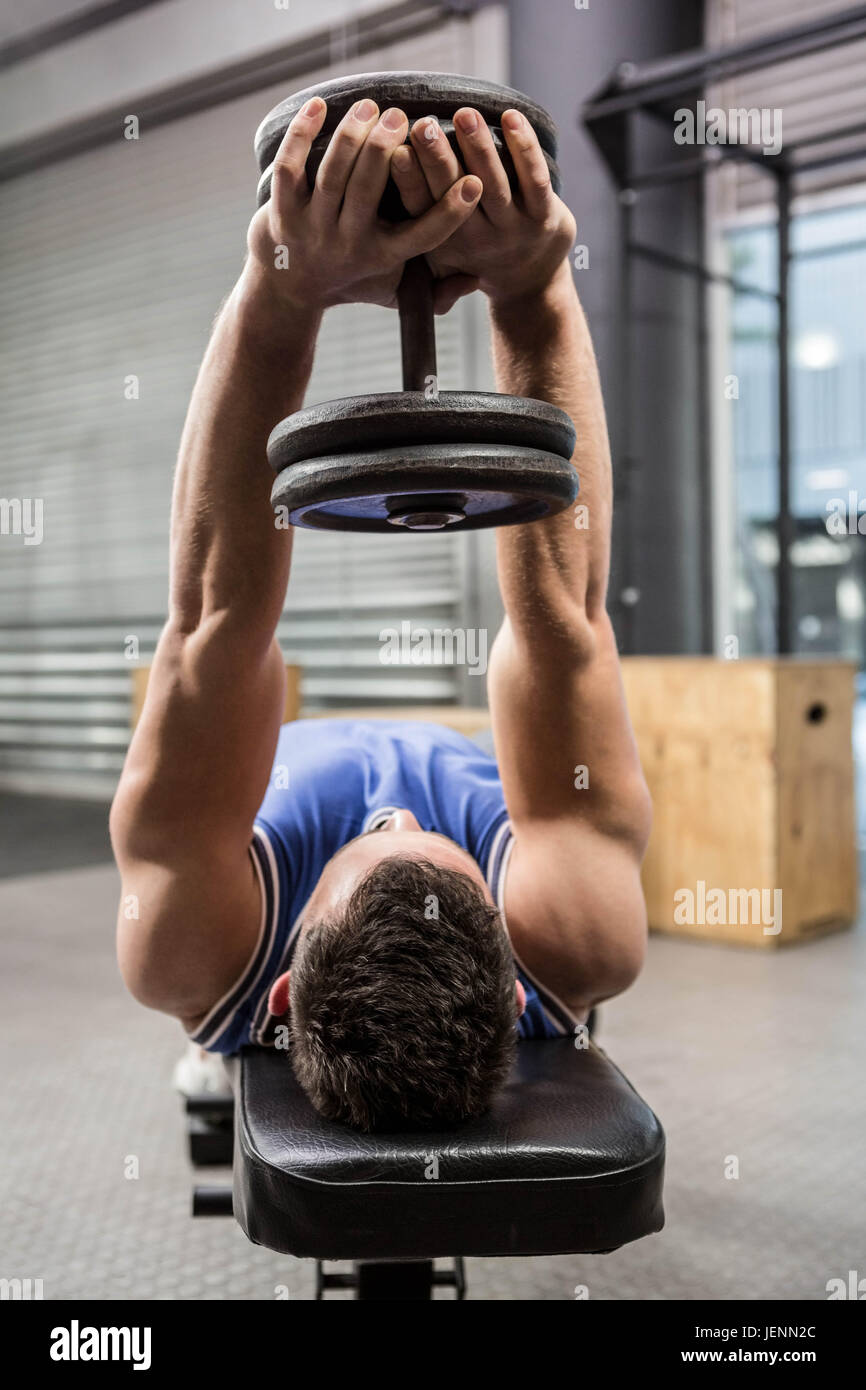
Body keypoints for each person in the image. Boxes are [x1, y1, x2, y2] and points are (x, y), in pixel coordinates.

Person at [110, 93, 652, 1132]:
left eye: (373, 839)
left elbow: (214, 625)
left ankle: (209, 1052)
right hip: (491, 849)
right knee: (591, 951)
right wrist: (531, 289)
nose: (395, 809)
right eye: (418, 838)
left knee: (183, 993)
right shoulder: (565, 937)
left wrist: (282, 285)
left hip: (271, 803)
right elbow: (563, 620)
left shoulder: (197, 941)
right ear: (507, 975)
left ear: (279, 989)